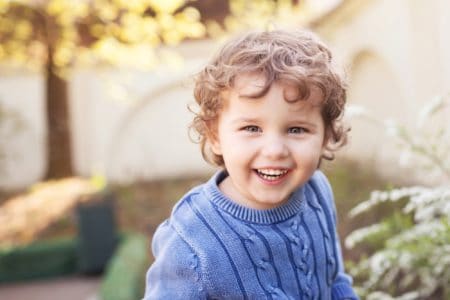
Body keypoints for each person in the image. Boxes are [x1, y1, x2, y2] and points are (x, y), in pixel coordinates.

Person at [143, 29, 359, 300]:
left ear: (325, 135)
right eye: (252, 128)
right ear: (215, 135)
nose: (274, 150)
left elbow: (334, 280)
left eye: (296, 130)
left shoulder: (317, 193)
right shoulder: (191, 243)